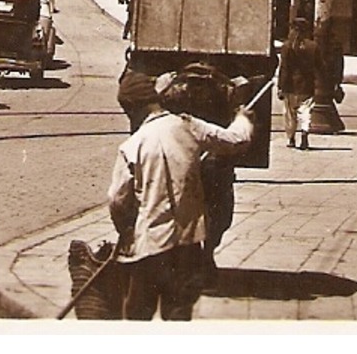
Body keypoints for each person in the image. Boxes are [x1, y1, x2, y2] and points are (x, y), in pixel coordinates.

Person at [107, 71, 253, 320]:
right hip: (188, 247)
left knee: (137, 313)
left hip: (150, 248)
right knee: (177, 314)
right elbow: (236, 140)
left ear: (131, 108)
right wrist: (242, 118)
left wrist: (126, 230)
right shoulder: (187, 124)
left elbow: (117, 200)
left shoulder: (131, 146)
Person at [277, 16, 319, 149]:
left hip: (290, 86)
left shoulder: (287, 46)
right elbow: (320, 66)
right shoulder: (313, 46)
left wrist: (280, 87)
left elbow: (284, 68)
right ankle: (305, 132)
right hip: (307, 86)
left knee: (290, 114)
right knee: (306, 111)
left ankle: (291, 138)